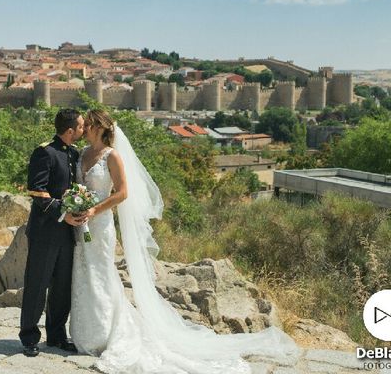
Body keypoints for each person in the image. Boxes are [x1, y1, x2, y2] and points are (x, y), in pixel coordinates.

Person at [69, 109, 301, 373]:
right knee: (83, 271)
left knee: (102, 272)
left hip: (100, 224)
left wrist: (94, 210)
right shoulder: (82, 154)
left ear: (99, 127)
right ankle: (85, 333)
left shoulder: (113, 156)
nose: (83, 129)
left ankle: (105, 332)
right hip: (81, 223)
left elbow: (122, 193)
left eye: (87, 124)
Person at [19, 108, 86, 357]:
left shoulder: (73, 153)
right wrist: (63, 212)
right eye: (81, 127)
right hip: (45, 232)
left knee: (62, 288)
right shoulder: (45, 152)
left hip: (67, 234)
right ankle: (28, 338)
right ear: (70, 130)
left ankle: (56, 336)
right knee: (37, 285)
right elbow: (37, 191)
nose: (83, 130)